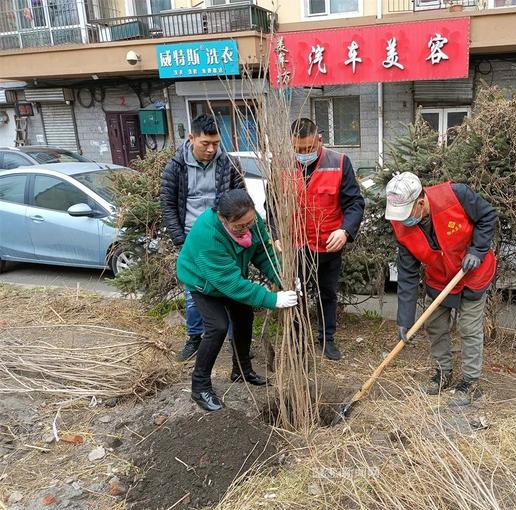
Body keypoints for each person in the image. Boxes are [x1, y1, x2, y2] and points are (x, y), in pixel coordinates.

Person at [176, 189, 298, 411]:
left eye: (250, 222)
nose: (246, 228)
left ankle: (241, 371)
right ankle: (200, 386)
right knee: (217, 327)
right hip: (202, 282)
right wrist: (272, 299)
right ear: (223, 218)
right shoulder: (208, 233)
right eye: (239, 226)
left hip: (230, 277)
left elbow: (263, 253)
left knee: (244, 317)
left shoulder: (252, 221)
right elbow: (229, 282)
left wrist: (283, 278)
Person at [384, 172, 498, 406]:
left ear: (421, 203)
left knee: (469, 328)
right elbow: (407, 275)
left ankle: (469, 380)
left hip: (473, 273)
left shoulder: (456, 195)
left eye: (406, 213)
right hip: (439, 279)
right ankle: (443, 373)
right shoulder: (402, 226)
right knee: (435, 326)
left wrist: (477, 250)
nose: (402, 221)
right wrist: (404, 320)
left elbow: (488, 216)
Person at [271, 118, 365, 361]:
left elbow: (354, 203)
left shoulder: (339, 163)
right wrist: (275, 234)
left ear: (319, 139)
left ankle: (327, 339)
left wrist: (345, 230)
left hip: (327, 244)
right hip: (295, 245)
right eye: (298, 149)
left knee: (327, 293)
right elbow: (271, 205)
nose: (303, 154)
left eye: (309, 149)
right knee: (295, 294)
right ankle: (297, 337)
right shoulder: (280, 166)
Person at [160, 114, 244, 361]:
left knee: (228, 288)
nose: (211, 149)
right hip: (191, 240)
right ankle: (194, 338)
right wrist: (180, 241)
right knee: (194, 293)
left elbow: (240, 197)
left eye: (216, 143)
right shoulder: (176, 167)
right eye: (205, 143)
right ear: (191, 138)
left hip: (223, 238)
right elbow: (167, 205)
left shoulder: (227, 164)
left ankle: (231, 340)